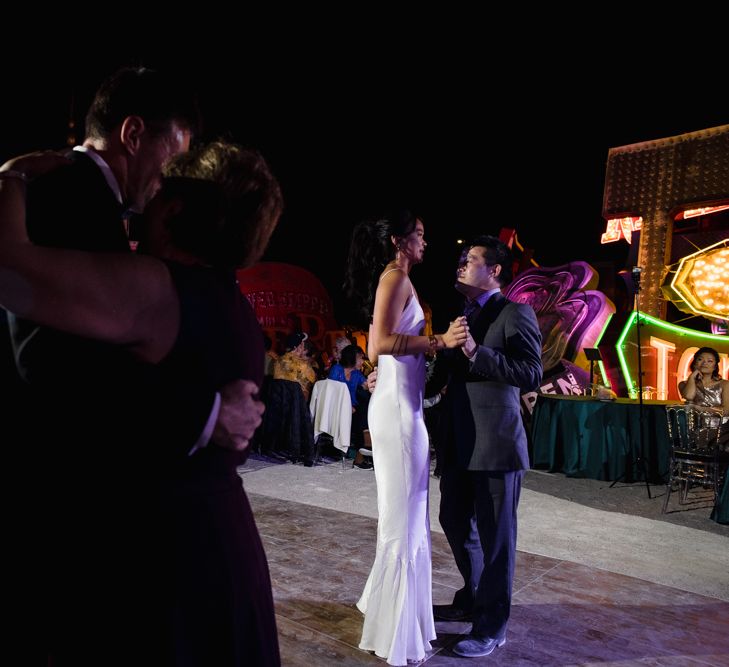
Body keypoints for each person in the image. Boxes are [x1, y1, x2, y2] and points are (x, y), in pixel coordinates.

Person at [0, 140, 284, 666]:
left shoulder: (154, 285)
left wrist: (11, 178)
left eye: (154, 197)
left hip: (166, 552)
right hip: (220, 542)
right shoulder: (230, 301)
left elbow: (11, 273)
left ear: (174, 209)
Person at [344, 210, 467, 666]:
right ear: (399, 240)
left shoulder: (400, 279)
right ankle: (394, 630)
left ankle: (391, 612)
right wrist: (438, 343)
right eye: (420, 235)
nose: (425, 243)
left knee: (410, 515)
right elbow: (379, 343)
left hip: (403, 405)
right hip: (397, 413)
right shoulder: (393, 277)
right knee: (404, 517)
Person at [430, 236, 542, 659]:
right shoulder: (460, 316)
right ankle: (473, 595)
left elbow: (530, 373)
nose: (461, 263)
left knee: (497, 539)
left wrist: (477, 352)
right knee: (453, 519)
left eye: (470, 259)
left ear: (494, 270)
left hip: (497, 445)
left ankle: (492, 625)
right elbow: (440, 379)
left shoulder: (516, 313)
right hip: (459, 443)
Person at [328, 344, 371, 468]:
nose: (363, 361)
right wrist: (346, 406)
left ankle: (364, 449)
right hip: (337, 409)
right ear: (352, 357)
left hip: (352, 411)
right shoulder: (337, 370)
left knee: (367, 404)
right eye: (360, 358)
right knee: (363, 412)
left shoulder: (357, 374)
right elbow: (332, 393)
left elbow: (366, 385)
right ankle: (363, 451)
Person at [679, 347, 729, 420]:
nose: (704, 363)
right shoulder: (683, 384)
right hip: (693, 428)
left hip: (720, 429)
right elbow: (689, 396)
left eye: (710, 361)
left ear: (715, 366)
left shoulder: (725, 384)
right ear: (694, 363)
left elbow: (726, 411)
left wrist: (700, 409)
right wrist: (692, 377)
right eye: (700, 359)